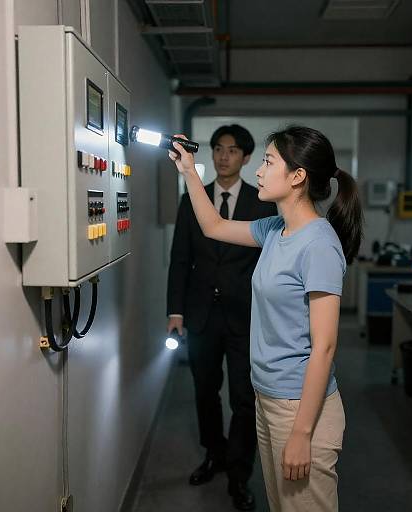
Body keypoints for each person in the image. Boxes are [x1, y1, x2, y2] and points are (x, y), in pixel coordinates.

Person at [168, 125, 363, 512]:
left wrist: (302, 433)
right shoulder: (277, 230)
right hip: (269, 398)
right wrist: (190, 171)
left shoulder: (319, 244)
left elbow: (323, 348)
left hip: (299, 407)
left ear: (297, 176)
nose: (258, 170)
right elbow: (214, 226)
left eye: (268, 161)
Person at [167, 124, 277, 511]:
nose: (223, 156)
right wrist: (176, 310)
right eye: (217, 149)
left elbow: (269, 262)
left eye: (232, 150)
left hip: (246, 318)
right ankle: (213, 453)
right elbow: (180, 257)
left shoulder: (263, 202)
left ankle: (239, 473)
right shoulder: (190, 200)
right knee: (204, 391)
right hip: (200, 315)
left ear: (246, 158)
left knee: (244, 398)